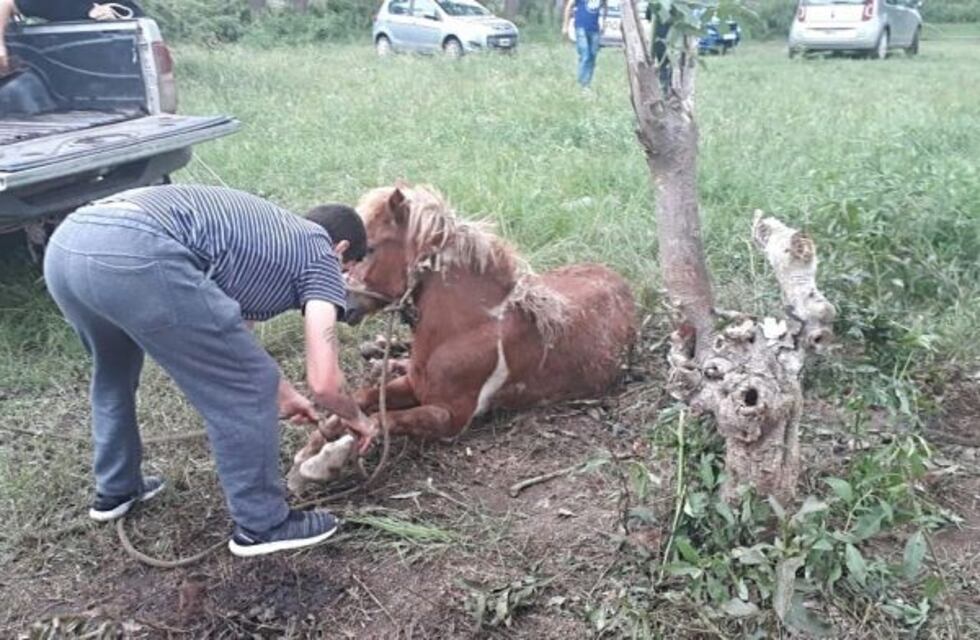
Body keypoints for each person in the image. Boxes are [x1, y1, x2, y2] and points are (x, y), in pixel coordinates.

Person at [42, 184, 379, 558]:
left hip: (69, 244)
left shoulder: (265, 241)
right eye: (346, 273)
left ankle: (116, 489)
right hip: (137, 250)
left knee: (114, 373)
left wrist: (283, 393)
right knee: (245, 388)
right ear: (342, 250)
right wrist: (358, 417)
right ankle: (263, 524)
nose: (342, 282)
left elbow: (232, 338)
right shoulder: (320, 255)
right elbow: (325, 383)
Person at [0, 0, 144, 74]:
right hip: (68, 77)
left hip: (119, 74)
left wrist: (113, 16)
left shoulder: (123, 4)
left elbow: (142, 27)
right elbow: (6, 3)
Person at [562, 0, 606, 88]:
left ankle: (587, 82)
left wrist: (604, 22)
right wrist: (565, 26)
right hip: (580, 27)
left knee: (593, 56)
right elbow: (568, 7)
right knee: (585, 54)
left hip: (594, 29)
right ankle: (582, 84)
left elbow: (605, 6)